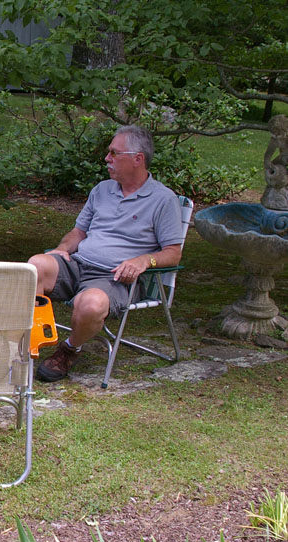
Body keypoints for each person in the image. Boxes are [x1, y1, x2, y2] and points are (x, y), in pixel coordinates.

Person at [28, 125, 183, 383]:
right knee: (34, 266)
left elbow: (174, 253)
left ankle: (68, 350)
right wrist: (63, 248)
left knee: (91, 305)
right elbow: (79, 232)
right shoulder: (102, 190)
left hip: (114, 278)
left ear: (138, 159)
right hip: (78, 264)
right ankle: (29, 343)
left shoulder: (163, 200)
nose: (107, 158)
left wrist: (145, 260)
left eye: (114, 152)